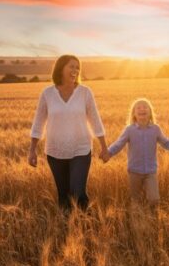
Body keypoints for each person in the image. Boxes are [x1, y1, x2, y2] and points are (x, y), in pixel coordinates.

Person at [29, 55, 109, 211]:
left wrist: (104, 147)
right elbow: (38, 122)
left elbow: (95, 120)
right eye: (71, 66)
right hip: (55, 150)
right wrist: (32, 150)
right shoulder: (47, 94)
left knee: (78, 193)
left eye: (77, 67)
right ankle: (67, 228)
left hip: (81, 148)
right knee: (63, 196)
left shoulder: (85, 92)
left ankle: (86, 226)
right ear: (60, 68)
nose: (75, 70)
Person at [105, 98, 169, 208]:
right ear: (134, 114)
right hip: (134, 171)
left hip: (150, 171)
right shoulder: (129, 130)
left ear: (150, 113)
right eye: (138, 107)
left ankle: (151, 218)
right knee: (136, 200)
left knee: (154, 199)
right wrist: (108, 153)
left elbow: (166, 143)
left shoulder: (155, 129)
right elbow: (119, 144)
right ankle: (137, 221)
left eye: (145, 107)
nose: (142, 109)